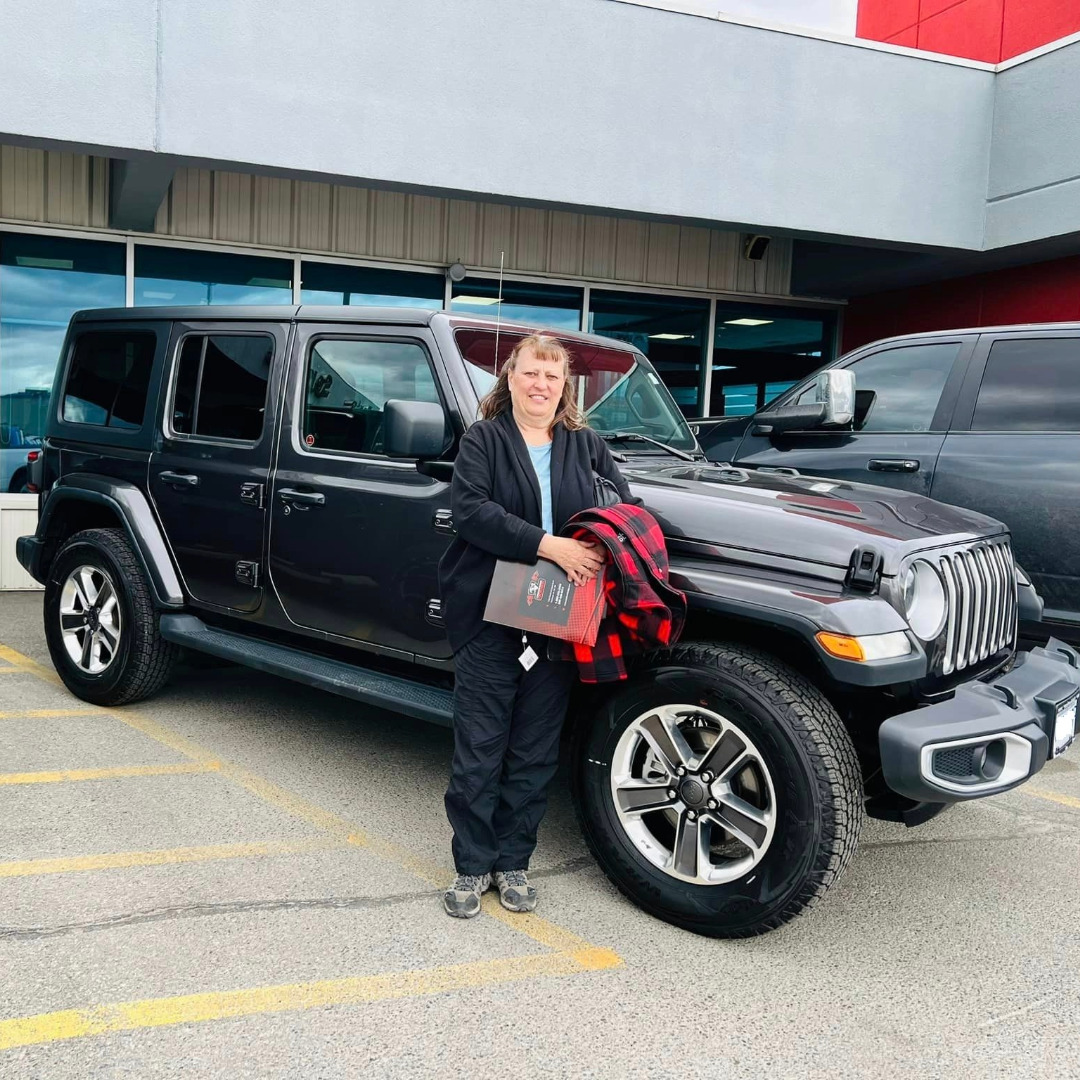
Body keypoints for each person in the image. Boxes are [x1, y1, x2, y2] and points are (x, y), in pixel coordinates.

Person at [438, 333, 634, 918]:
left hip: (557, 614)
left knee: (534, 750)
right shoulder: (484, 440)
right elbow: (471, 511)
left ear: (564, 386)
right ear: (510, 377)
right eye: (530, 373)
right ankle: (472, 867)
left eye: (552, 376)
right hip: (489, 614)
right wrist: (550, 545)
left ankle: (513, 862)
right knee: (480, 746)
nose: (540, 385)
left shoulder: (585, 443)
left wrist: (598, 548)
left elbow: (622, 505)